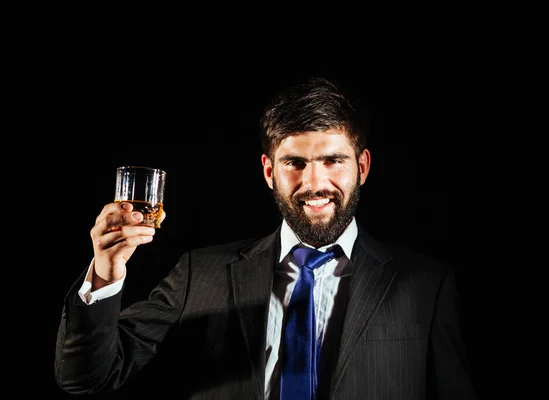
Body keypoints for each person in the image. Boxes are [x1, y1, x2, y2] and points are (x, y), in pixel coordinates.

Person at [54, 76, 477, 400]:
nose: (315, 182)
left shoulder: (427, 285)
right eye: (295, 162)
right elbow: (87, 377)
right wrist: (105, 276)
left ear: (361, 167)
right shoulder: (199, 274)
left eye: (333, 160)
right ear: (269, 171)